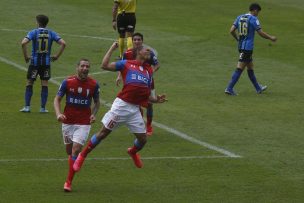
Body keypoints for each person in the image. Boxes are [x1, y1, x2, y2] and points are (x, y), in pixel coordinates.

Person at [72, 42, 167, 175]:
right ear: (138, 52)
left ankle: (132, 152)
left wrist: (156, 99)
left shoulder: (148, 71)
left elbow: (146, 95)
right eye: (146, 50)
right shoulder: (126, 64)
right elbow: (104, 65)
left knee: (143, 139)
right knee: (103, 133)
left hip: (134, 110)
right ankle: (82, 155)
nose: (149, 52)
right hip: (121, 106)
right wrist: (112, 48)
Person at [54, 59, 100, 192]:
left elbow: (97, 103)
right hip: (67, 122)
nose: (85, 68)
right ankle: (75, 160)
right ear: (77, 68)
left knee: (75, 149)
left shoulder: (94, 84)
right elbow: (57, 99)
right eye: (82, 66)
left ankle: (68, 182)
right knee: (69, 152)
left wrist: (93, 114)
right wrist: (58, 114)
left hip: (83, 123)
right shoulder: (67, 82)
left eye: (87, 66)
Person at [224, 3, 277, 95]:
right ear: (255, 10)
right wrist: (270, 37)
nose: (258, 14)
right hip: (247, 48)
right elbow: (260, 32)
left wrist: (237, 39)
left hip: (241, 46)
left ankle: (258, 88)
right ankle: (229, 88)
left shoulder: (239, 17)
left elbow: (231, 30)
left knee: (250, 66)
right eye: (258, 12)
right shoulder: (253, 19)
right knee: (240, 68)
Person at [116, 32, 160, 136]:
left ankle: (149, 125)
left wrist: (151, 72)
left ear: (142, 41)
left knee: (149, 104)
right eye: (135, 39)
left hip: (147, 83)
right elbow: (121, 65)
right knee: (136, 104)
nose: (136, 41)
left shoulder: (148, 53)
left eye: (139, 39)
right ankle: (139, 125)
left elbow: (157, 64)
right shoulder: (127, 53)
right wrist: (119, 76)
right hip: (132, 83)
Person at [20, 14, 66, 113]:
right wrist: (57, 56)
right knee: (44, 84)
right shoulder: (51, 33)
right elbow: (63, 43)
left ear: (37, 22)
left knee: (29, 83)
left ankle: (27, 107)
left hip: (34, 63)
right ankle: (42, 108)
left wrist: (26, 57)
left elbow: (23, 43)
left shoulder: (33, 32)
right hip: (46, 63)